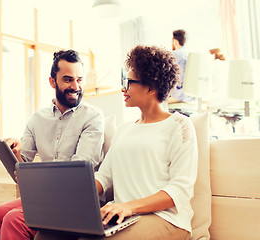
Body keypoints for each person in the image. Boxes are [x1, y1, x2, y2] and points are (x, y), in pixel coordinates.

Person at [35, 45, 198, 240]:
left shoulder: (179, 126)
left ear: (152, 87)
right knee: (47, 235)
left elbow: (179, 190)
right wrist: (66, 191)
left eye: (129, 82)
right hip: (124, 216)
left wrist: (128, 206)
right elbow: (103, 177)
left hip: (166, 219)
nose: (123, 88)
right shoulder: (124, 130)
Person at [0, 49, 105, 240]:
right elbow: (21, 171)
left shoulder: (92, 117)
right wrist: (17, 154)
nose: (76, 86)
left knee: (14, 220)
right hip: (45, 199)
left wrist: (38, 182)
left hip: (76, 201)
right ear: (52, 81)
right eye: (68, 79)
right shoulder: (37, 119)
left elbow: (77, 176)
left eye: (79, 79)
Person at [170, 29, 195, 103]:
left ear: (175, 42)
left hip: (178, 96)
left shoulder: (173, 55)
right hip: (190, 96)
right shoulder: (189, 55)